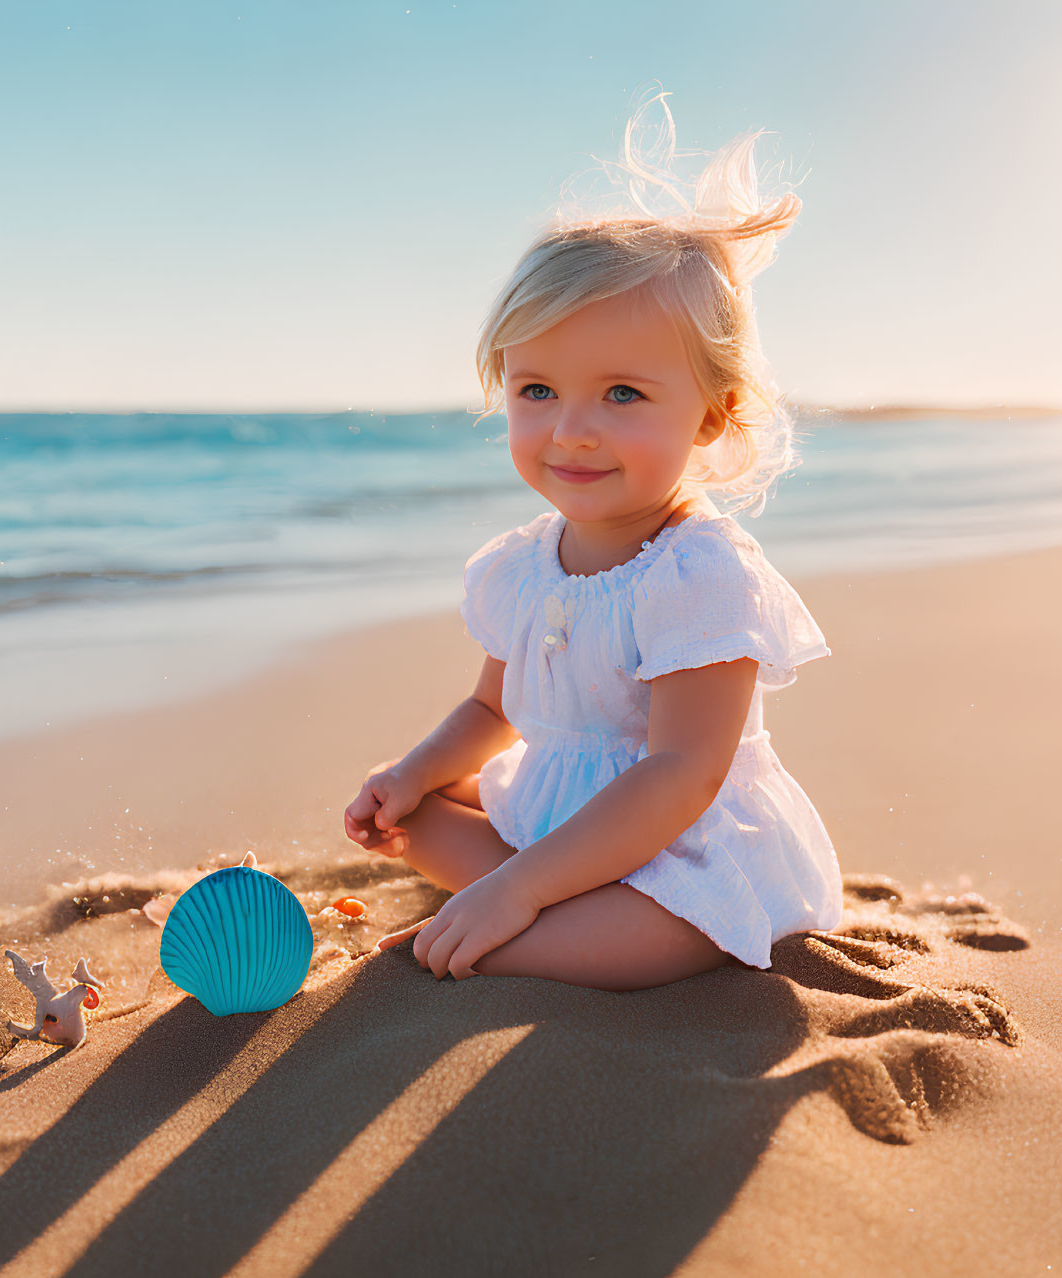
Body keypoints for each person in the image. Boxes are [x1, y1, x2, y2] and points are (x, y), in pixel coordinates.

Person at [344, 91, 841, 991]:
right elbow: (494, 713)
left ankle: (513, 920)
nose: (570, 430)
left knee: (646, 935)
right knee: (410, 818)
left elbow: (682, 775)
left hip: (674, 846)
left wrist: (519, 891)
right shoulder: (519, 566)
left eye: (621, 395)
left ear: (711, 415)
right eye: (537, 391)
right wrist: (412, 772)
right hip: (554, 821)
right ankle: (516, 905)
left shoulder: (699, 573)